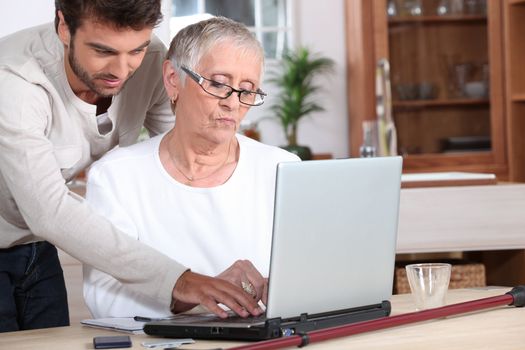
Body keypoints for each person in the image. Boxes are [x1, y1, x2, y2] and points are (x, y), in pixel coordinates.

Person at [0, 1, 263, 332]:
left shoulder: (152, 60)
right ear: (64, 27)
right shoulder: (14, 81)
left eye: (135, 51)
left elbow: (176, 155)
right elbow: (48, 211)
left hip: (37, 245)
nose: (121, 70)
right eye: (103, 51)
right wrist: (179, 282)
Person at [82, 16, 301, 318]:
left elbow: (308, 275)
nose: (232, 103)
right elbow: (104, 298)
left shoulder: (282, 167)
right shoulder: (116, 177)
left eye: (247, 89)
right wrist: (191, 295)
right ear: (173, 79)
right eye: (218, 83)